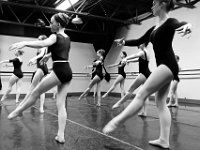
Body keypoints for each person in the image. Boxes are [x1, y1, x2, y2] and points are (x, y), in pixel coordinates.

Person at [102, 0, 191, 149]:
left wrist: (188, 26)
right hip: (166, 66)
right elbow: (139, 40)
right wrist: (123, 42)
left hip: (167, 65)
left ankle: (116, 121)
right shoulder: (154, 28)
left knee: (141, 94)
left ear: (162, 4)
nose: (151, 6)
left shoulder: (170, 22)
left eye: (154, 3)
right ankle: (164, 140)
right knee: (160, 103)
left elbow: (181, 24)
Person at [8, 12, 72, 144]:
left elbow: (43, 43)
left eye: (51, 22)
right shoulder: (67, 37)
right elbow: (61, 51)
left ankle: (18, 111)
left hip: (59, 70)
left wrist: (25, 42)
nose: (50, 24)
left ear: (58, 24)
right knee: (61, 105)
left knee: (36, 92)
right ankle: (61, 136)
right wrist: (49, 56)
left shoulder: (55, 36)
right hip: (67, 71)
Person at [112, 44, 151, 117]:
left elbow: (135, 55)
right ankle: (144, 112)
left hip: (143, 74)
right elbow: (137, 59)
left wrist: (125, 58)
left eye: (140, 43)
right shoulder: (147, 53)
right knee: (145, 94)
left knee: (130, 90)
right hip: (147, 74)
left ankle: (119, 103)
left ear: (143, 44)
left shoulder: (142, 52)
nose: (138, 44)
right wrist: (129, 61)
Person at [21, 35, 48, 113]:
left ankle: (22, 105)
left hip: (41, 69)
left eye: (39, 39)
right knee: (42, 90)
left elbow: (41, 55)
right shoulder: (43, 47)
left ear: (43, 40)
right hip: (44, 68)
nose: (38, 40)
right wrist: (33, 62)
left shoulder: (43, 47)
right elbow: (41, 59)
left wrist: (33, 58)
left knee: (31, 88)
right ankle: (41, 108)